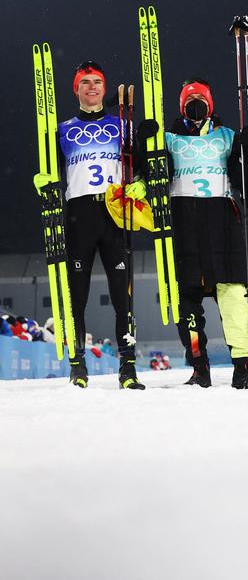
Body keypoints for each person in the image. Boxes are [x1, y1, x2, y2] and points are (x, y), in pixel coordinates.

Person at [33, 61, 147, 389]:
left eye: (97, 81)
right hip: (79, 216)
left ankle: (128, 368)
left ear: (103, 87)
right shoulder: (63, 129)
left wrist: (139, 182)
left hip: (114, 214)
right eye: (85, 82)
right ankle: (77, 365)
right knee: (77, 296)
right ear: (77, 89)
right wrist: (43, 181)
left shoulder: (121, 125)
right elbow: (50, 173)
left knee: (122, 297)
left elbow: (140, 167)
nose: (93, 87)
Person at [145, 77, 248, 389]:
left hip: (222, 223)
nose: (195, 103)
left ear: (210, 103)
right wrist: (144, 146)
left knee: (234, 297)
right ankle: (200, 367)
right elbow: (153, 179)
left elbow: (245, 180)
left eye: (200, 98)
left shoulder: (227, 136)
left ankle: (242, 367)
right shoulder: (169, 138)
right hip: (184, 224)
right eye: (189, 98)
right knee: (187, 302)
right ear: (181, 105)